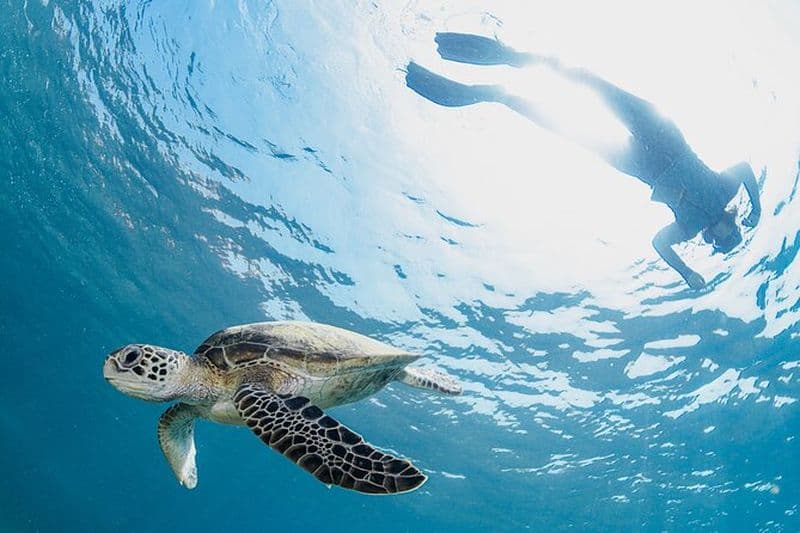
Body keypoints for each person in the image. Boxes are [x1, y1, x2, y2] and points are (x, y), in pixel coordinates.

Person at [406, 33, 762, 289]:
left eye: (720, 244)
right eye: (726, 239)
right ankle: (515, 58)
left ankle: (499, 95)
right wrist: (757, 208)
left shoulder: (689, 229)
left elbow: (658, 243)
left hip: (644, 168)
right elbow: (746, 169)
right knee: (596, 86)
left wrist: (685, 272)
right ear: (731, 228)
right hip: (666, 137)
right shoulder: (724, 192)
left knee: (573, 130)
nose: (718, 240)